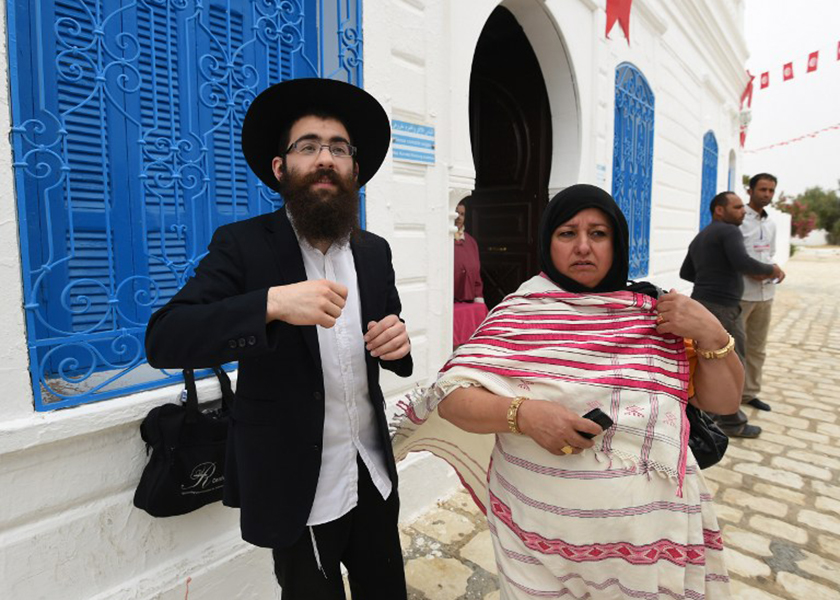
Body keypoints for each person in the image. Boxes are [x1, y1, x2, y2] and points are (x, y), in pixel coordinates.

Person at [394, 184, 741, 599]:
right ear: (548, 243)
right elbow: (450, 399)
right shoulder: (519, 314)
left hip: (651, 545)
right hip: (539, 545)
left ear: (617, 242)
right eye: (566, 234)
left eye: (598, 234)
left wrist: (711, 331)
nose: (583, 247)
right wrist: (524, 415)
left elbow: (723, 402)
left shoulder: (657, 316)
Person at [145, 78, 412, 600]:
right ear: (280, 168)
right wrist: (271, 305)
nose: (325, 158)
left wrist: (398, 343)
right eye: (308, 146)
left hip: (373, 472)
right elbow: (165, 338)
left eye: (339, 148)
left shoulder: (374, 251)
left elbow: (389, 335)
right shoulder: (243, 246)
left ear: (355, 169)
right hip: (298, 484)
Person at [680, 191, 782, 438]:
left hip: (702, 303)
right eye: (737, 207)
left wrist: (711, 278)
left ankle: (708, 416)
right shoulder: (729, 231)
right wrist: (773, 269)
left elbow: (686, 272)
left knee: (707, 361)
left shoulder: (701, 236)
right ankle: (730, 422)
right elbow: (743, 263)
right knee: (733, 362)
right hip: (723, 308)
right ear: (719, 210)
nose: (743, 211)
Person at [740, 173, 785, 411]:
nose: (766, 194)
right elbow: (738, 258)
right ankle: (728, 396)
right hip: (741, 294)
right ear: (751, 191)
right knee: (734, 347)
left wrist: (772, 269)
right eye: (763, 189)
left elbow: (769, 254)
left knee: (757, 348)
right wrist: (763, 269)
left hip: (766, 295)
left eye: (771, 190)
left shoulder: (771, 223)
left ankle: (749, 394)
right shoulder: (739, 219)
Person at [453, 196, 488, 347]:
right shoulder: (442, 240)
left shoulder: (471, 242)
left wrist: (478, 295)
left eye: (462, 214)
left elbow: (476, 272)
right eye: (456, 213)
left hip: (467, 301)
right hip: (451, 301)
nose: (459, 217)